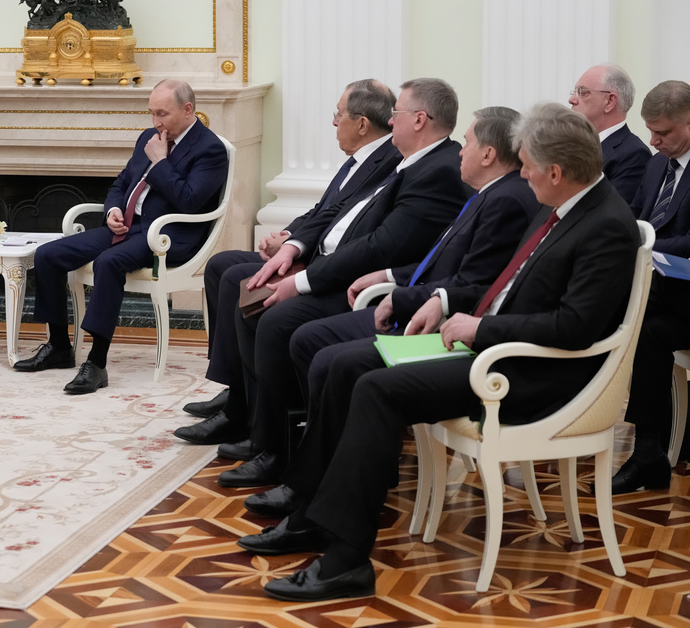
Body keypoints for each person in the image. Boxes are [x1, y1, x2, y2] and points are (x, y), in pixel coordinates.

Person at [238, 102, 640, 602]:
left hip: (526, 374)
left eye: (529, 165)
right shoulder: (561, 202)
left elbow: (574, 328)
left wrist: (478, 328)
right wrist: (440, 304)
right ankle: (309, 515)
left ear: (556, 172)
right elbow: (504, 281)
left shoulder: (606, 224)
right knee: (343, 364)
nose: (524, 174)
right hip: (496, 351)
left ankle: (345, 560)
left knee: (377, 389)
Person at [243, 106, 541, 517]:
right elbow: (443, 264)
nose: (460, 151)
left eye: (468, 142)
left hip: (436, 324)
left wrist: (404, 296)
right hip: (418, 305)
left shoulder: (506, 199)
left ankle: (326, 476)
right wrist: (389, 278)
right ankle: (330, 459)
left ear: (488, 154)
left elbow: (473, 285)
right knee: (310, 341)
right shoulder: (491, 193)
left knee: (325, 352)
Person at [183, 78, 472, 489]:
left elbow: (384, 245)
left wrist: (304, 278)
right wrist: (295, 247)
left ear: (419, 120)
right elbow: (335, 212)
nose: (389, 121)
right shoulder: (413, 160)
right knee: (243, 286)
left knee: (275, 318)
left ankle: (276, 446)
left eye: (397, 114)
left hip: (365, 285)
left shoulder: (435, 167)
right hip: (337, 266)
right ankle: (256, 420)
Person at [180, 79, 401, 443]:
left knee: (239, 277)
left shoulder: (384, 161)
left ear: (362, 124)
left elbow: (349, 228)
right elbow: (323, 212)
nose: (333, 122)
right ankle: (238, 387)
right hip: (311, 251)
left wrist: (300, 252)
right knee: (222, 266)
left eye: (338, 114)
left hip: (333, 268)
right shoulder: (360, 160)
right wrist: (289, 238)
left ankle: (243, 407)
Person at [14, 79, 228, 394]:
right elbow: (122, 182)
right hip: (127, 227)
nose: (156, 122)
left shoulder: (210, 149)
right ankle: (59, 346)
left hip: (165, 236)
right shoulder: (149, 136)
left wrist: (160, 162)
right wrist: (112, 210)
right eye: (152, 113)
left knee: (108, 263)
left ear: (188, 109)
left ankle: (97, 363)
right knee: (48, 255)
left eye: (163, 114)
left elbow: (190, 201)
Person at [612, 80, 690, 493]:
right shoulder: (658, 163)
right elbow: (637, 217)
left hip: (684, 292)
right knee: (645, 331)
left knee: (617, 304)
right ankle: (648, 453)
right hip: (667, 295)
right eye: (650, 130)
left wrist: (646, 245)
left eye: (664, 132)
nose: (654, 141)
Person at [568, 64, 651, 204]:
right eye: (574, 92)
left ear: (610, 101)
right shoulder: (571, 146)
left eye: (583, 92)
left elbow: (610, 215)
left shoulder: (633, 154)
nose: (572, 100)